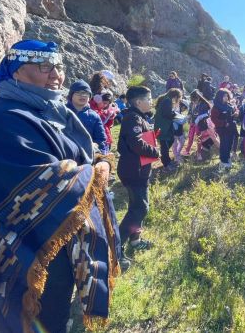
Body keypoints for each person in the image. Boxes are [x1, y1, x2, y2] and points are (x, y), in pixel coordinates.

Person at [0, 40, 120, 333]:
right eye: (44, 67)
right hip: (28, 244)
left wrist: (95, 158)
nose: (56, 75)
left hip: (55, 233)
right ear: (17, 73)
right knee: (44, 312)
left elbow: (75, 151)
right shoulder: (2, 120)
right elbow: (43, 179)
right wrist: (97, 171)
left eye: (58, 67)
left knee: (58, 306)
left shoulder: (47, 108)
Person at [117, 86, 159, 267]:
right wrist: (155, 152)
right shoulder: (132, 118)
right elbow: (136, 143)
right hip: (133, 172)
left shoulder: (139, 117)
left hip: (140, 171)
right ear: (138, 102)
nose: (151, 102)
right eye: (148, 99)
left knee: (139, 206)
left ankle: (135, 240)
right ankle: (115, 248)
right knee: (139, 209)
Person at [67, 79, 108, 153]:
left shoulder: (94, 116)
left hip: (87, 155)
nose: (82, 95)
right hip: (65, 153)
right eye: (78, 92)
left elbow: (101, 139)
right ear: (71, 95)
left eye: (86, 93)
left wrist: (97, 149)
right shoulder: (62, 111)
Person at [154, 88, 183, 170]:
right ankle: (166, 163)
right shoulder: (167, 101)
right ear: (175, 96)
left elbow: (165, 112)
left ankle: (166, 159)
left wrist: (174, 114)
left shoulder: (166, 99)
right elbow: (167, 114)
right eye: (179, 98)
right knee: (164, 145)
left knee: (169, 140)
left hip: (163, 126)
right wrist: (177, 116)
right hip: (162, 127)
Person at [211, 89, 238, 171]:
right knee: (224, 144)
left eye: (227, 96)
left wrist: (235, 114)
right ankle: (223, 161)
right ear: (219, 97)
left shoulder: (228, 105)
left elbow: (232, 113)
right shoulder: (216, 107)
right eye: (224, 96)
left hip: (231, 128)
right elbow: (213, 119)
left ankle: (227, 158)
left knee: (230, 142)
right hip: (222, 129)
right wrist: (223, 123)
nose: (226, 97)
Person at [182, 90, 211, 158]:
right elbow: (190, 112)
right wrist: (188, 117)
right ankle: (187, 150)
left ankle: (199, 153)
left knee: (199, 138)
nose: (193, 101)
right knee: (190, 137)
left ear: (198, 98)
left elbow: (205, 114)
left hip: (199, 124)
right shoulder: (191, 103)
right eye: (192, 100)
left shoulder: (203, 104)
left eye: (194, 100)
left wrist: (198, 118)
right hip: (192, 123)